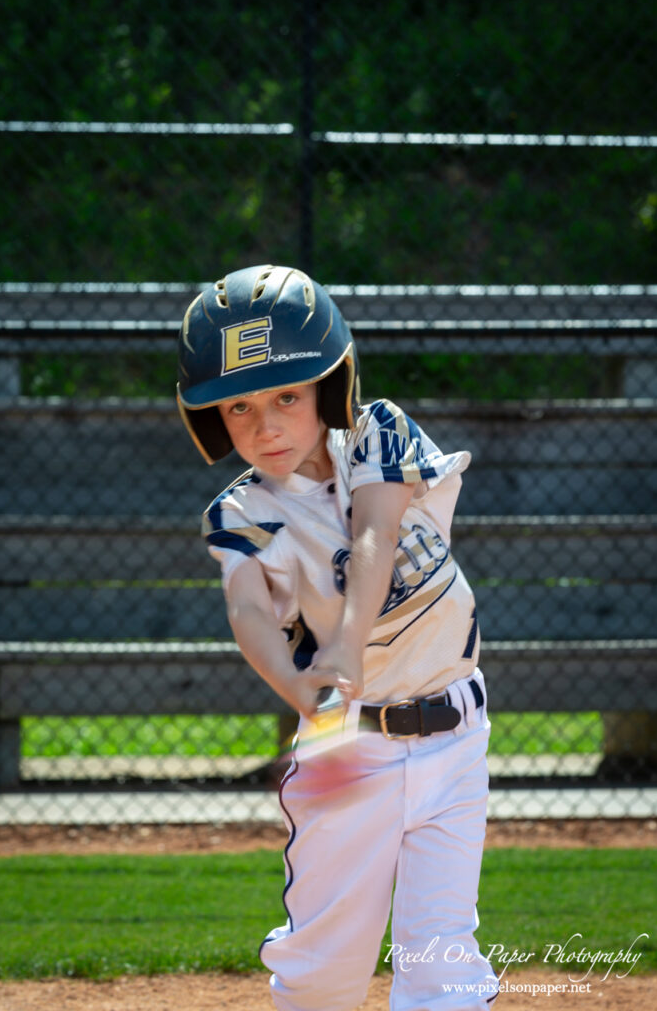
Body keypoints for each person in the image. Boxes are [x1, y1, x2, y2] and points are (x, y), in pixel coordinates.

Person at [177, 264, 499, 1010]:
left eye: (287, 396)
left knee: (442, 962)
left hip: (456, 733)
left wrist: (348, 643)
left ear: (331, 383)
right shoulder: (242, 513)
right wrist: (298, 690)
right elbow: (248, 610)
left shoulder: (377, 432)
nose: (265, 425)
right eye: (238, 408)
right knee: (325, 970)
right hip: (353, 749)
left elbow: (377, 530)